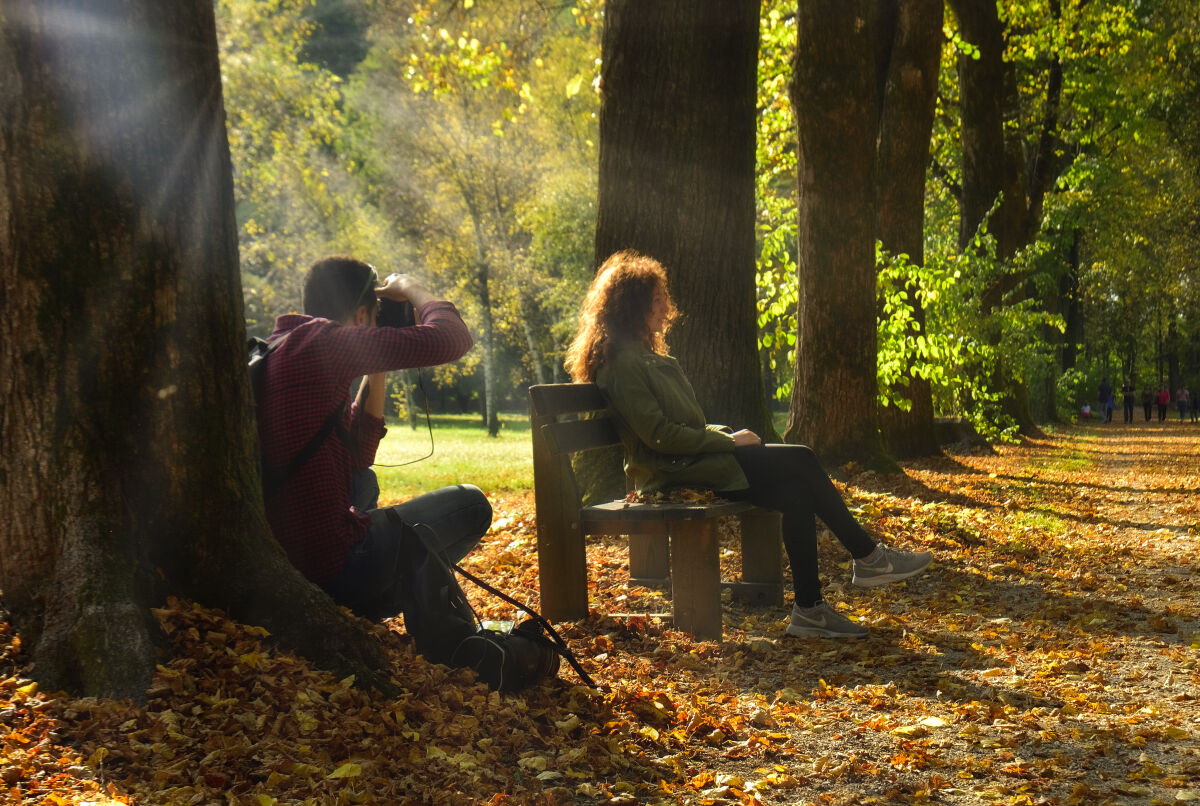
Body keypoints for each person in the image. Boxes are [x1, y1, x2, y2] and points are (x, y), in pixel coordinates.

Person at [565, 251, 932, 640]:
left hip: (688, 460)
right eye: (657, 300)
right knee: (803, 459)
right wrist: (727, 440)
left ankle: (810, 609)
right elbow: (660, 436)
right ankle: (869, 558)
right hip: (669, 472)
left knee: (795, 493)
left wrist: (726, 433)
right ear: (633, 305)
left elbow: (682, 424)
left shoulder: (645, 356)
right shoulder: (622, 364)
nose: (666, 308)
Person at [258, 255, 492, 620]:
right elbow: (453, 338)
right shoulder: (324, 343)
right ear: (364, 316)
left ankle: (357, 604)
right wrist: (412, 287)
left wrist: (377, 361)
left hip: (289, 556)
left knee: (363, 480)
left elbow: (360, 454)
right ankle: (366, 605)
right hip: (330, 566)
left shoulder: (284, 344)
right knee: (473, 505)